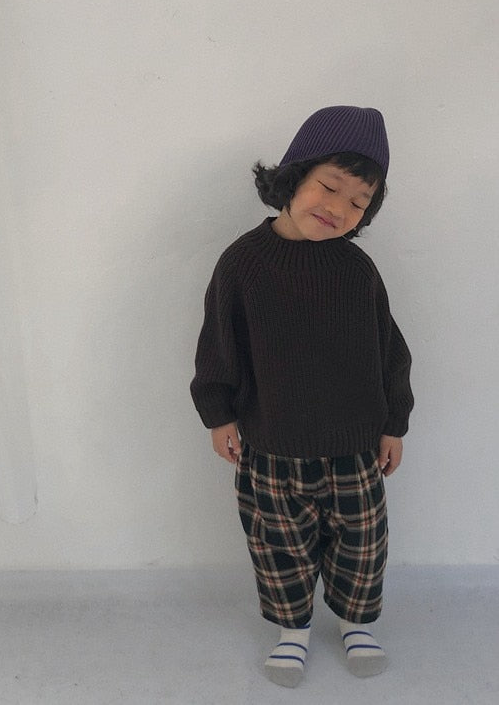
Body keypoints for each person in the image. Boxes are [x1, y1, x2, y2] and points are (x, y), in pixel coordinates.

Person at [189, 106, 414, 688]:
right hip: (270, 446)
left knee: (362, 546)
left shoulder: (357, 270)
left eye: (359, 201)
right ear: (293, 177)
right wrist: (218, 414)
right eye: (329, 186)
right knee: (278, 547)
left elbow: (390, 349)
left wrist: (394, 422)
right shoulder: (243, 263)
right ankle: (293, 632)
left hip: (355, 449)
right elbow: (219, 343)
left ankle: (357, 624)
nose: (339, 207)